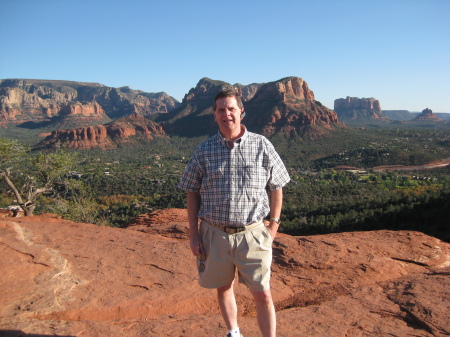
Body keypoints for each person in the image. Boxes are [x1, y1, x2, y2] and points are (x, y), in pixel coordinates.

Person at [178, 87, 290, 337]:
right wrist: (194, 235)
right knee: (223, 286)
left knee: (263, 293)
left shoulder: (262, 145)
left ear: (241, 111)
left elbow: (277, 185)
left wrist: (274, 224)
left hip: (253, 233)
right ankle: (234, 332)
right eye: (221, 110)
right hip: (214, 234)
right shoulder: (204, 150)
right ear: (214, 115)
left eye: (231, 108)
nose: (226, 114)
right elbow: (191, 192)